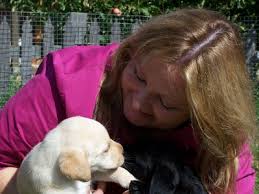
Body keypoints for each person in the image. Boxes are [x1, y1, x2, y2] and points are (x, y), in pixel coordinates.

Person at [0, 8, 257, 194]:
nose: (138, 105)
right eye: (138, 75)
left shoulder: (220, 138)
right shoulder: (63, 85)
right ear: (131, 52)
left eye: (165, 104)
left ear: (202, 117)